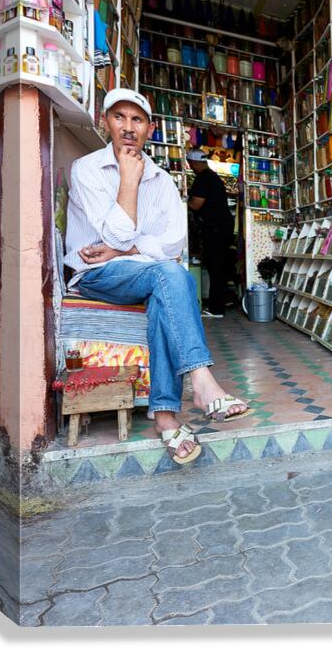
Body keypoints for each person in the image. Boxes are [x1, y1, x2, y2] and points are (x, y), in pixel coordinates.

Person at [64, 88, 250, 465]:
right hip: (97, 274)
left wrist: (127, 249)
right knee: (168, 274)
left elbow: (174, 242)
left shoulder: (163, 180)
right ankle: (201, 382)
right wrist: (128, 180)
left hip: (143, 272)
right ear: (105, 122)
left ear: (149, 128)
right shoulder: (86, 169)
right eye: (120, 117)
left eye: (137, 120)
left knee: (169, 277)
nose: (128, 127)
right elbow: (114, 237)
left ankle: (166, 417)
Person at [186, 149, 235, 318]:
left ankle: (216, 309)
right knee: (218, 267)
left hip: (215, 228)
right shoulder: (213, 177)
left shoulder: (203, 179)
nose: (191, 167)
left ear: (194, 163)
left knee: (216, 267)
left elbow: (196, 204)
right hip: (223, 227)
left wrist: (184, 201)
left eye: (191, 164)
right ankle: (218, 305)